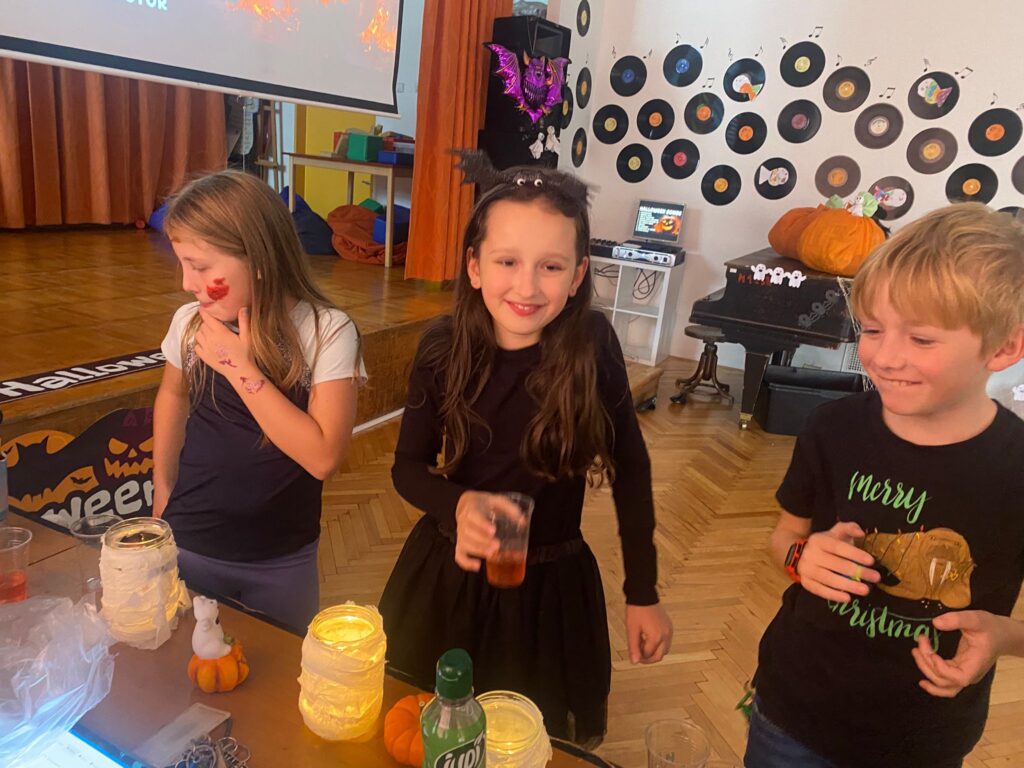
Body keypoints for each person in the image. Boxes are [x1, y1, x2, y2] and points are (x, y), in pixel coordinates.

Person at [378, 153, 673, 748]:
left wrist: (643, 593)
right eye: (507, 261)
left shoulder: (592, 345)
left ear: (578, 274)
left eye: (551, 266)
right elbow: (407, 468)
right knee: (428, 730)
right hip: (448, 578)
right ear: (475, 265)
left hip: (550, 591)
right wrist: (457, 504)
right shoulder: (441, 348)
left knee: (526, 741)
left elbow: (632, 469)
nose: (528, 286)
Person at [747, 203, 1024, 768]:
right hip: (791, 709)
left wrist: (1003, 635)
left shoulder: (1014, 467)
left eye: (921, 339)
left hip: (922, 736)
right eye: (871, 329)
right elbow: (786, 538)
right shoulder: (832, 427)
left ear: (1003, 348)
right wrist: (802, 557)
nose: (884, 356)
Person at [152, 170, 364, 631]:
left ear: (260, 258)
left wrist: (239, 368)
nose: (186, 282)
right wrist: (162, 488)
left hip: (282, 558)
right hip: (193, 541)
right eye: (182, 264)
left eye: (200, 267)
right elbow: (172, 395)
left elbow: (323, 457)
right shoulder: (190, 323)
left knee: (282, 670)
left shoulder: (326, 331)